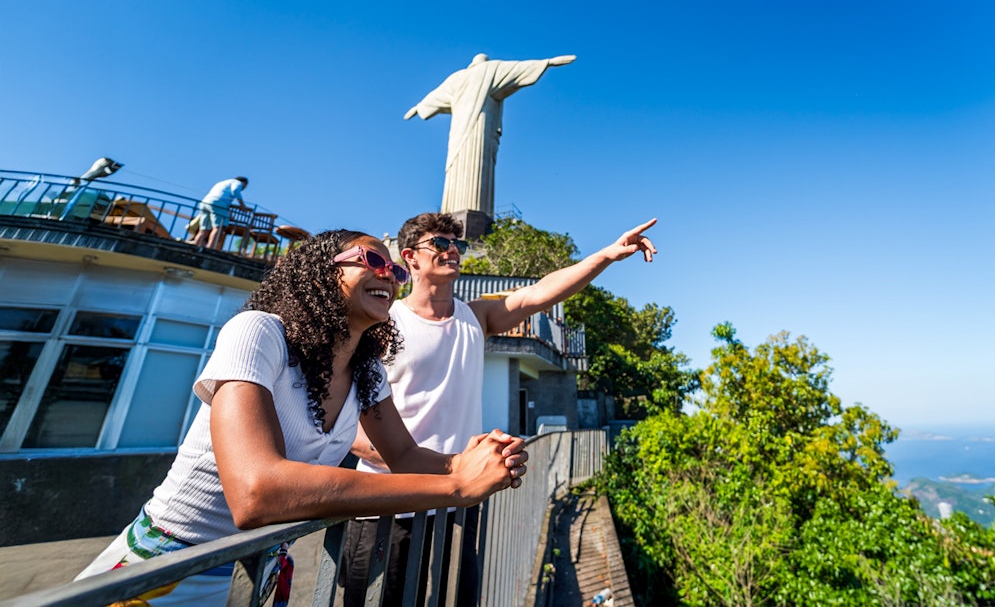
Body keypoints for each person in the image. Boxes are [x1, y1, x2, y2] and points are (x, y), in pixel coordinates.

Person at [76, 229, 528, 606]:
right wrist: (454, 486)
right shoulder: (260, 331)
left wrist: (469, 462)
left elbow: (405, 454)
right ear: (322, 270)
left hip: (256, 574)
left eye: (393, 270)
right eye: (372, 259)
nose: (387, 276)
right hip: (166, 571)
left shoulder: (367, 370)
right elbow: (257, 493)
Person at [343, 214, 657, 607]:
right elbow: (348, 425)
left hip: (455, 500)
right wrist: (415, 462)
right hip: (387, 505)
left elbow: (541, 293)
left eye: (457, 244)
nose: (453, 250)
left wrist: (608, 255)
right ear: (411, 257)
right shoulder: (383, 324)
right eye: (440, 244)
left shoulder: (475, 317)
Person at [405, 54, 576, 216]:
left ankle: (462, 211)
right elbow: (517, 68)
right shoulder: (490, 69)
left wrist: (418, 107)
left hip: (469, 130)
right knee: (465, 165)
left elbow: (434, 96)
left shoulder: (457, 78)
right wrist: (548, 62)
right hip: (475, 128)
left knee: (469, 166)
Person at [193, 176, 250, 248]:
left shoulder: (223, 182)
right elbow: (235, 190)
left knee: (204, 229)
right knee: (218, 228)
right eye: (245, 186)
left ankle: (195, 247)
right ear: (244, 183)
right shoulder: (237, 183)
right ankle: (210, 248)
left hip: (205, 202)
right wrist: (242, 205)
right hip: (218, 203)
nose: (244, 188)